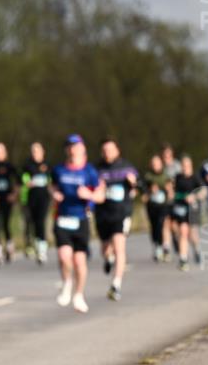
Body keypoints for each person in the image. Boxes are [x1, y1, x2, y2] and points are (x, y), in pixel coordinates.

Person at [51, 134, 104, 314]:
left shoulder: (89, 171)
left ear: (83, 149)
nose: (73, 149)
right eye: (70, 146)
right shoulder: (59, 170)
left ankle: (79, 295)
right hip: (62, 218)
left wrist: (88, 196)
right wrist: (54, 194)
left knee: (79, 261)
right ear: (67, 150)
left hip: (81, 218)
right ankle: (67, 283)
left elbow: (100, 195)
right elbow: (53, 186)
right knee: (64, 256)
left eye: (76, 146)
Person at [94, 138, 138, 301]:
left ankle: (116, 285)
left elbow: (140, 186)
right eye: (105, 150)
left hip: (121, 212)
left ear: (117, 150)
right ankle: (108, 258)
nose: (108, 153)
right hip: (103, 213)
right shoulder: (97, 169)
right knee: (106, 248)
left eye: (110, 150)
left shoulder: (126, 167)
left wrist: (133, 184)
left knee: (120, 247)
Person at [170, 156, 205, 271]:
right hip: (181, 208)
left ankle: (197, 249)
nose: (185, 168)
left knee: (192, 234)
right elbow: (172, 190)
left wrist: (194, 196)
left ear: (191, 166)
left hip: (193, 209)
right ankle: (183, 259)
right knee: (183, 232)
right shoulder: (178, 177)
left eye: (187, 165)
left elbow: (204, 191)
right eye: (183, 165)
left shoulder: (196, 177)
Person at [22, 141, 52, 264]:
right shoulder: (28, 165)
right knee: (33, 223)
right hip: (31, 198)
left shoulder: (47, 165)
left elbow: (51, 180)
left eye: (37, 151)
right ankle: (36, 243)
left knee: (41, 222)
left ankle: (42, 250)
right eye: (33, 151)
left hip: (44, 198)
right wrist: (28, 182)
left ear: (42, 152)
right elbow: (24, 179)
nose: (35, 153)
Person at [142, 155, 173, 262]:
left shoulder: (165, 175)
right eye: (153, 164)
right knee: (154, 226)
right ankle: (157, 246)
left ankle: (165, 246)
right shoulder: (148, 176)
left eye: (157, 163)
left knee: (162, 224)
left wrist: (168, 191)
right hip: (152, 205)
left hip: (163, 205)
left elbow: (170, 189)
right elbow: (143, 191)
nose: (155, 166)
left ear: (161, 164)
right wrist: (149, 191)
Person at [160, 144, 181, 261]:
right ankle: (166, 249)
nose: (166, 157)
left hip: (176, 198)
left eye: (168, 155)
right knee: (165, 222)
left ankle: (176, 239)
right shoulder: (161, 166)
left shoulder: (177, 166)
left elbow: (182, 180)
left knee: (174, 225)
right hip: (164, 199)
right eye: (164, 155)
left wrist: (172, 186)